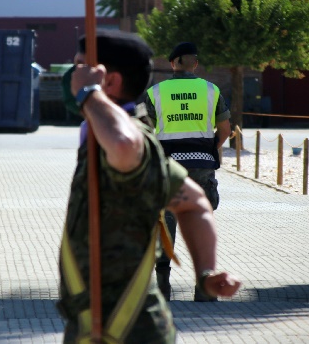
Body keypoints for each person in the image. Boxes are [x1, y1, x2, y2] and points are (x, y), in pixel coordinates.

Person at [57, 30, 240, 343]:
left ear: (108, 82)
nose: (72, 76)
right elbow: (194, 204)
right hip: (95, 325)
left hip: (126, 330)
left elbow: (126, 146)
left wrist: (88, 94)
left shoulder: (129, 140)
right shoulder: (110, 135)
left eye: (80, 68)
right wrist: (206, 272)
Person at [144, 42, 231, 302]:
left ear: (173, 63)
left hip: (168, 167)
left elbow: (145, 131)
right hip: (202, 167)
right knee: (201, 223)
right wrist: (209, 151)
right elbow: (225, 129)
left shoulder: (155, 92)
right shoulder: (211, 90)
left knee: (164, 227)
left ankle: (162, 289)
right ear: (194, 63)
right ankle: (205, 290)